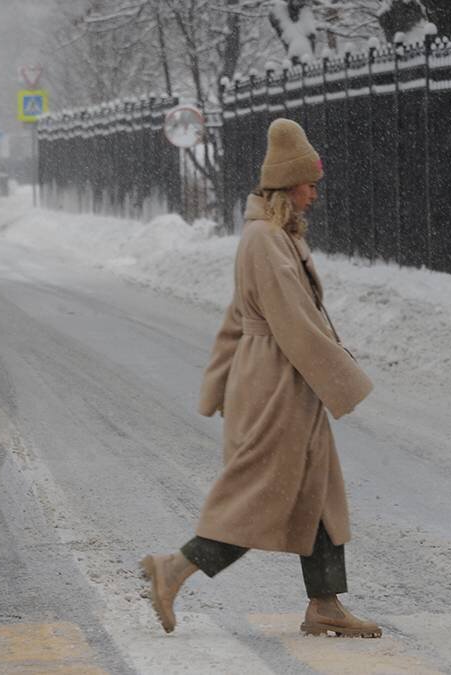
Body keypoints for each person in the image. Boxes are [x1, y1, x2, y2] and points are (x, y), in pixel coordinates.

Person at [140, 118, 380, 639]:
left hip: (280, 379)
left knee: (315, 491)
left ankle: (325, 604)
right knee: (260, 495)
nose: (316, 193)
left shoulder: (272, 236)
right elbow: (293, 323)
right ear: (289, 185)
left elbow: (236, 317)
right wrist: (345, 378)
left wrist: (220, 382)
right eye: (310, 184)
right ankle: (173, 569)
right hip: (278, 383)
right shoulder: (266, 241)